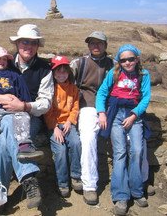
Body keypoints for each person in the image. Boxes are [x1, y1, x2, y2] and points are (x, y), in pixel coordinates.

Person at [0, 24, 54, 214]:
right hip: (2, 115)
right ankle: (29, 179)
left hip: (31, 118)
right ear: (17, 44)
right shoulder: (3, 62)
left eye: (33, 43)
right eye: (24, 41)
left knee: (6, 135)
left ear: (38, 46)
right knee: (7, 126)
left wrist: (24, 106)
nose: (28, 46)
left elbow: (46, 103)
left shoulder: (45, 70)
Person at [96, 44, 151, 215]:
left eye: (131, 59)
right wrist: (101, 113)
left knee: (137, 150)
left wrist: (134, 115)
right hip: (115, 113)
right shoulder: (113, 73)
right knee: (119, 153)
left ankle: (137, 191)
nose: (127, 62)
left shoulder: (143, 74)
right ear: (119, 61)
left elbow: (146, 97)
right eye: (124, 60)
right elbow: (102, 93)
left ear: (137, 58)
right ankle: (121, 195)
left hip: (133, 114)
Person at [0, 45, 44, 161]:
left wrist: (24, 104)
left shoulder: (13, 75)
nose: (2, 61)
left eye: (4, 59)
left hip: (15, 108)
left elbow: (23, 89)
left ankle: (25, 146)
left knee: (24, 120)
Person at [70, 31, 115, 205]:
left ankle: (138, 180)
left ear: (105, 45)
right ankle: (89, 185)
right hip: (87, 106)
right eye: (92, 43)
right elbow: (63, 79)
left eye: (99, 43)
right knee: (88, 140)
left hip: (111, 107)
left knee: (131, 137)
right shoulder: (79, 63)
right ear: (88, 45)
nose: (96, 46)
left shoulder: (114, 64)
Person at [44, 55, 82, 198]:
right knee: (60, 150)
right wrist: (54, 127)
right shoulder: (50, 89)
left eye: (64, 71)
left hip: (67, 124)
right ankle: (62, 182)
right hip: (54, 125)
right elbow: (47, 111)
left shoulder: (73, 89)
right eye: (58, 72)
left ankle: (76, 175)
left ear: (69, 72)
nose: (61, 74)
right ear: (53, 73)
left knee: (76, 143)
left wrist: (69, 121)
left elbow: (75, 107)